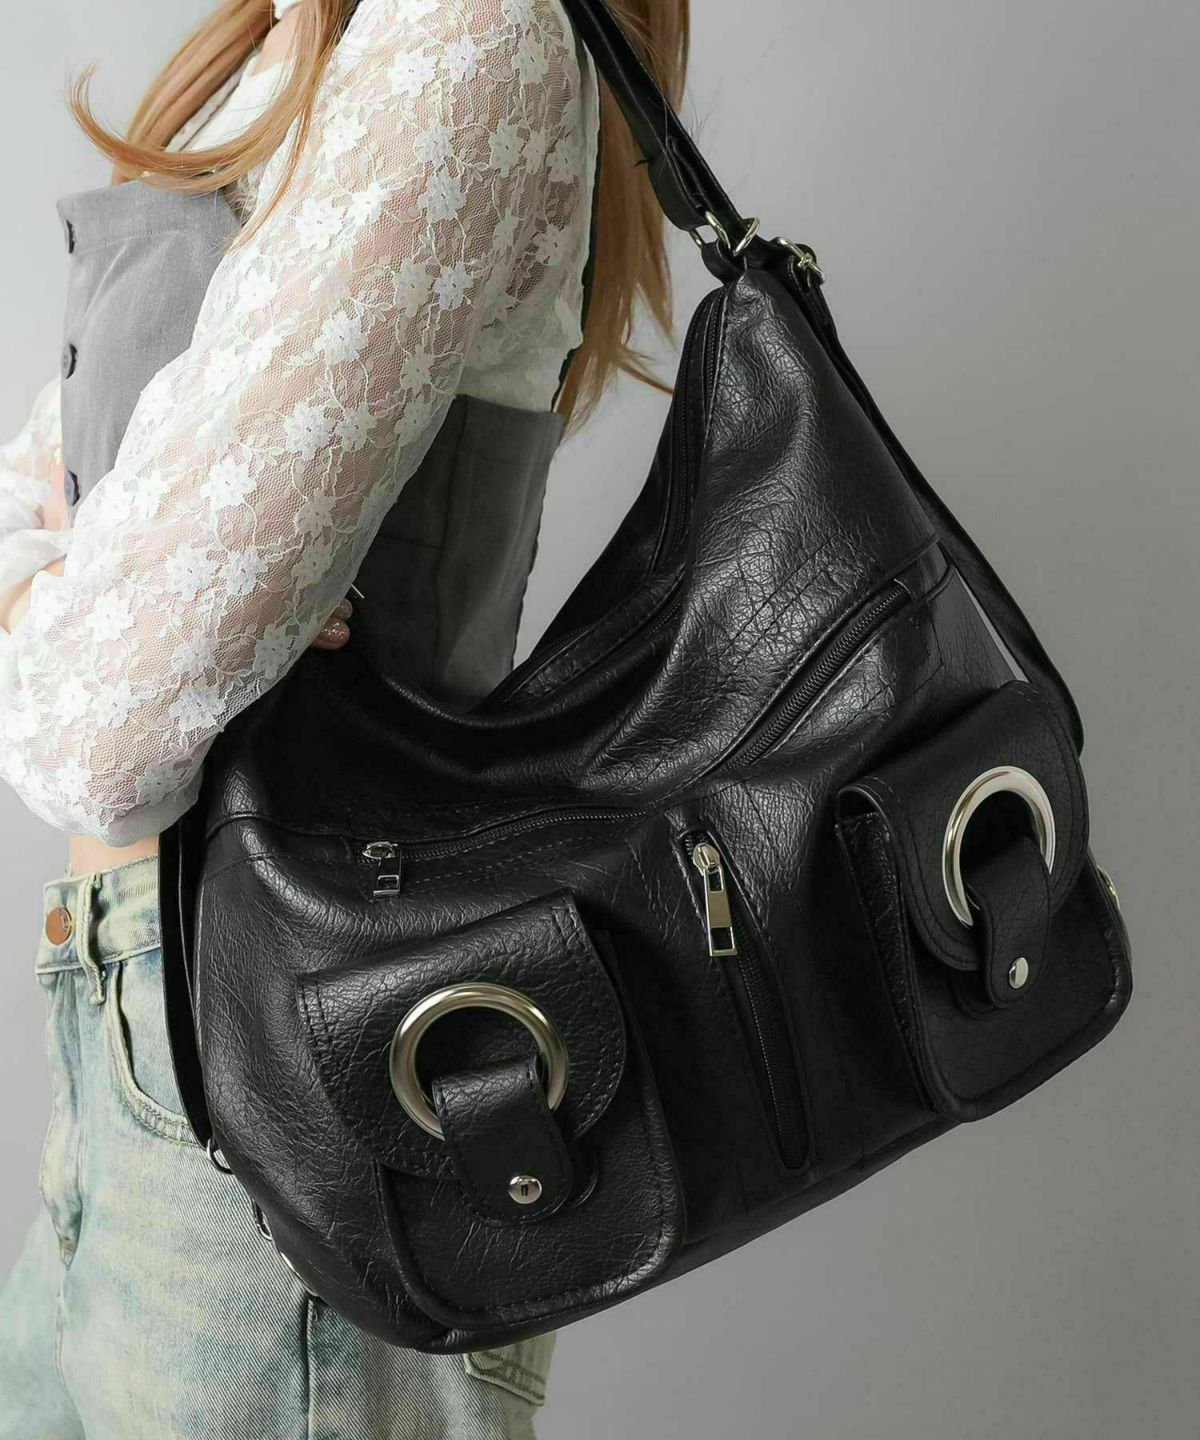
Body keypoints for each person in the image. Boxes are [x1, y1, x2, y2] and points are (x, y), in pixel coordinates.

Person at [0, 0, 688, 1432]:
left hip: (298, 1056)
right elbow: (29, 520)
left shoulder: (466, 29)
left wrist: (105, 594)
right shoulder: (290, 44)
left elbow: (101, 738)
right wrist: (107, 591)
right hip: (135, 1027)